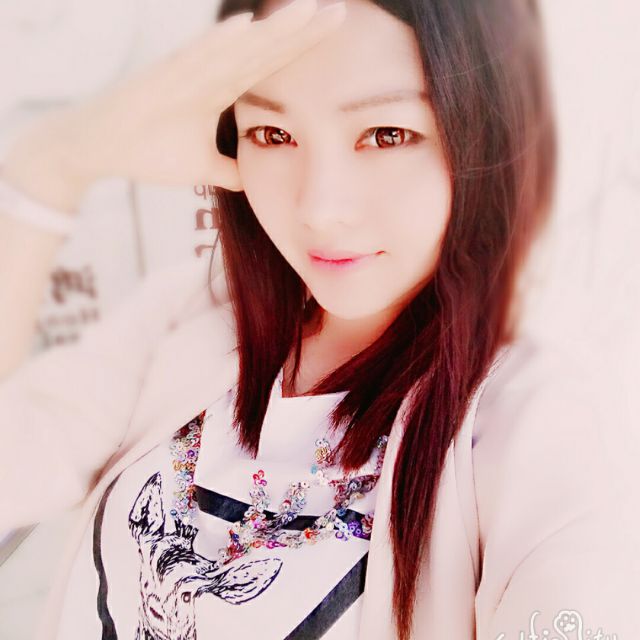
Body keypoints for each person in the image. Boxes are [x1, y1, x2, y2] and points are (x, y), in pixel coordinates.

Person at [0, 0, 637, 638]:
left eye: (386, 135)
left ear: (487, 130)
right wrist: (52, 169)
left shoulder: (538, 422)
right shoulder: (193, 318)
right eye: (273, 135)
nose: (320, 208)